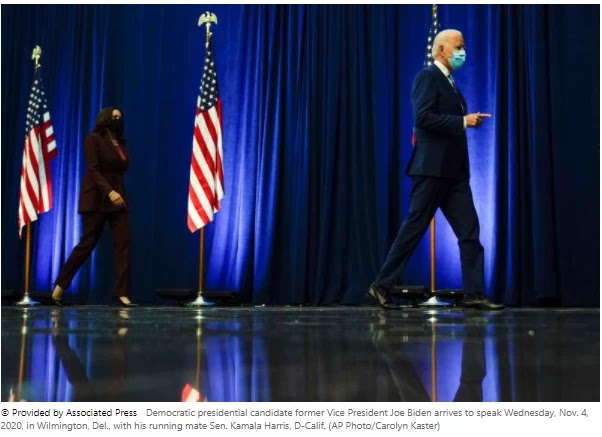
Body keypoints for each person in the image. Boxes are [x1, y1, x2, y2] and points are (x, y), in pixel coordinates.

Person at [368, 29, 503, 311]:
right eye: (459, 46)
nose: (463, 51)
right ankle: (381, 286)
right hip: (430, 169)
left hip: (454, 174)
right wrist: (463, 121)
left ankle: (474, 294)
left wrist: (465, 120)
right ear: (441, 49)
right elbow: (424, 118)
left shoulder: (450, 82)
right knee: (414, 228)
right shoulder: (427, 76)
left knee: (470, 231)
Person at [51, 107, 137, 307]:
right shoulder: (93, 139)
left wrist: (117, 193)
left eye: (120, 117)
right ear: (105, 119)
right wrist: (110, 192)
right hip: (97, 197)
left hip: (119, 198)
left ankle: (122, 293)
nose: (118, 119)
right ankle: (60, 286)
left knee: (123, 244)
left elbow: (121, 169)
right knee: (87, 243)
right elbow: (94, 170)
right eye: (115, 116)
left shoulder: (120, 144)